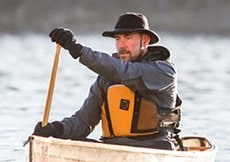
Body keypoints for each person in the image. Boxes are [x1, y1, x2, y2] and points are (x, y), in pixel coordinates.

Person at [33, 12, 183, 150]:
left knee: (163, 146)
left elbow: (125, 72)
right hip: (113, 147)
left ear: (145, 40)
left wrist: (77, 49)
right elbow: (83, 123)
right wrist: (55, 129)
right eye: (118, 39)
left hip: (155, 148)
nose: (121, 45)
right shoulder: (106, 78)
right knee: (77, 142)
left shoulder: (164, 72)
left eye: (128, 38)